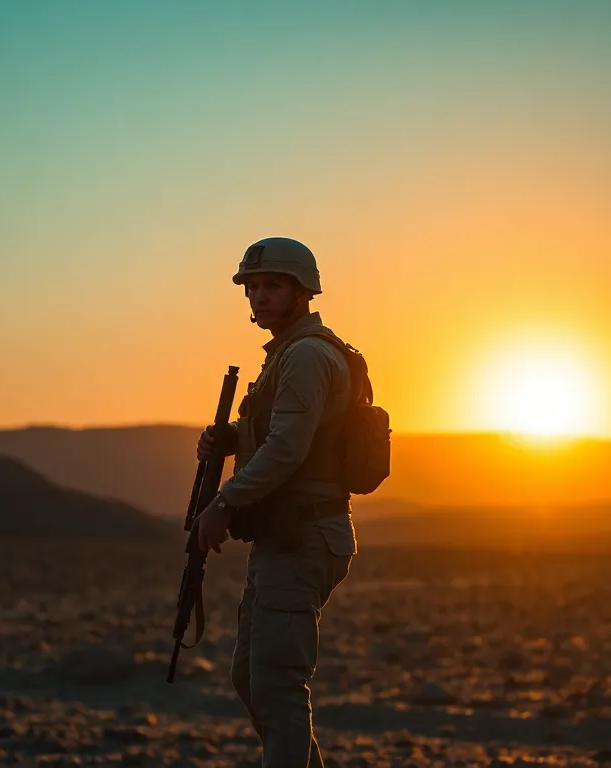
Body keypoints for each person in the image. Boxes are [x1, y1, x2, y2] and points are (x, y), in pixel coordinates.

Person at [193, 236, 360, 768]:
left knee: (279, 691)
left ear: (302, 291)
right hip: (284, 536)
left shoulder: (308, 356)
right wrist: (234, 438)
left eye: (273, 287)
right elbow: (282, 433)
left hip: (304, 535)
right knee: (251, 679)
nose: (259, 297)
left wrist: (222, 504)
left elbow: (289, 447)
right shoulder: (289, 354)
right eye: (253, 287)